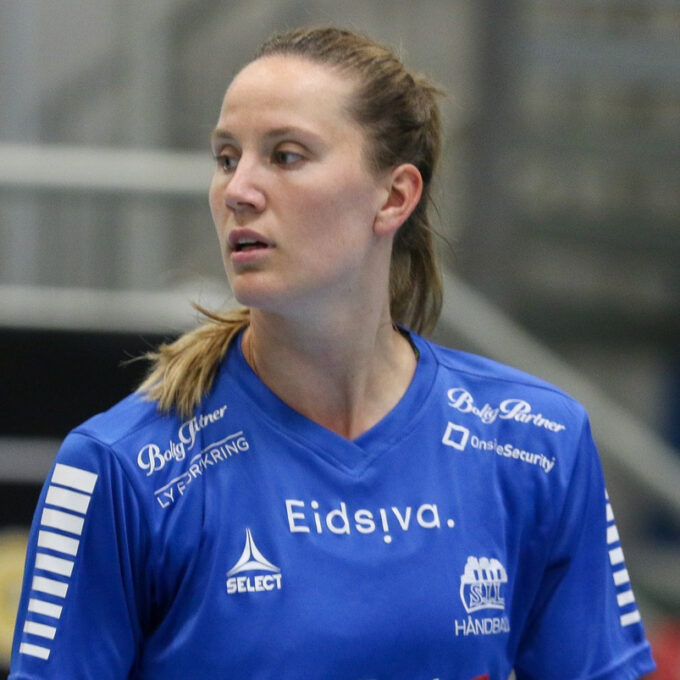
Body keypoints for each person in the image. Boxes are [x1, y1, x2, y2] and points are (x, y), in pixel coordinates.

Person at [10, 25, 655, 680]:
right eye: (227, 158)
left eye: (286, 156)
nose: (238, 190)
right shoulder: (119, 468)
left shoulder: (536, 442)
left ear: (394, 196)